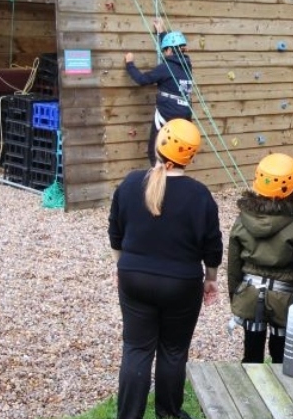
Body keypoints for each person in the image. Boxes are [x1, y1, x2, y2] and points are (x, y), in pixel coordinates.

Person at [108, 118, 222, 419]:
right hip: (181, 283)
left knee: (136, 349)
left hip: (134, 277)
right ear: (192, 156)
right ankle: (169, 414)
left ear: (158, 145)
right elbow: (212, 246)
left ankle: (128, 415)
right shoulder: (199, 195)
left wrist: (123, 268)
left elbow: (115, 233)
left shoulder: (131, 183)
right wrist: (211, 280)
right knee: (173, 351)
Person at [226, 153, 293, 364]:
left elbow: (234, 265)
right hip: (284, 298)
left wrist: (236, 295)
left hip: (250, 293)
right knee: (281, 356)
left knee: (251, 354)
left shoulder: (242, 220)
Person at [124, 25, 193, 166]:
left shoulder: (165, 68)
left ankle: (162, 182)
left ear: (169, 50)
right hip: (184, 114)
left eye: (164, 50)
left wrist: (130, 64)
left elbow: (142, 80)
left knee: (155, 151)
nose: (163, 53)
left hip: (167, 114)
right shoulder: (187, 65)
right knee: (173, 151)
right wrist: (162, 33)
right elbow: (172, 48)